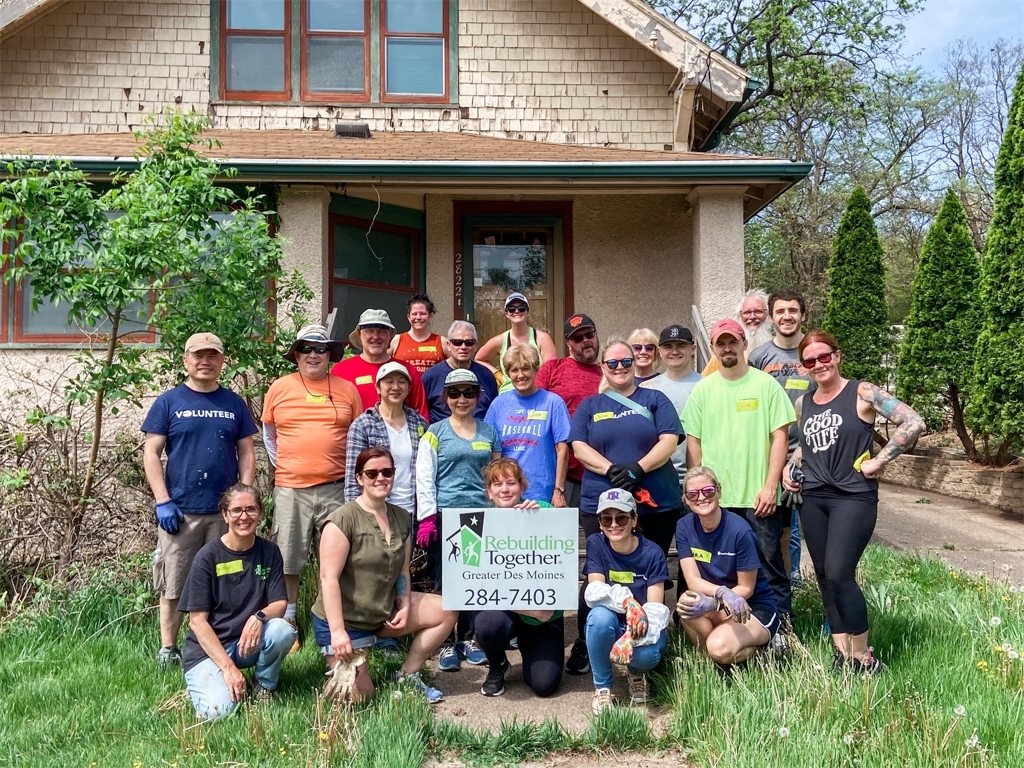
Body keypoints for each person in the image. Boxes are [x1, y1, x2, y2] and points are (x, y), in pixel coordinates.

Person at [783, 330, 925, 674]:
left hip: (853, 496)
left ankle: (863, 657)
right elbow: (808, 446)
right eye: (810, 360)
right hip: (813, 497)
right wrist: (792, 465)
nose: (818, 364)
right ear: (803, 367)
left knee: (839, 572)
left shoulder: (862, 392)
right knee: (823, 576)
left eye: (824, 356)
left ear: (837, 355)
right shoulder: (804, 404)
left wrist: (880, 460)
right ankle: (841, 652)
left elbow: (914, 421)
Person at [567, 337, 682, 676]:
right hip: (602, 504)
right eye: (612, 363)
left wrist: (638, 470)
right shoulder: (590, 405)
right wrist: (611, 470)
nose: (620, 368)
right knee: (598, 576)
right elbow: (578, 446)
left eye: (626, 362)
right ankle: (589, 641)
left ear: (636, 364)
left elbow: (669, 439)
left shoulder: (655, 398)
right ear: (603, 367)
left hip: (654, 503)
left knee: (651, 577)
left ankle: (648, 639)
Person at [142, 332, 258, 669]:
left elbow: (247, 450)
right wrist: (162, 500)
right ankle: (169, 649)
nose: (205, 361)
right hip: (181, 511)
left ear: (222, 362)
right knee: (174, 582)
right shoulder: (169, 402)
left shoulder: (234, 403)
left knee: (228, 580)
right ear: (186, 361)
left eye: (212, 356)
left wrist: (244, 497)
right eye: (198, 355)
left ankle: (221, 643)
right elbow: (151, 452)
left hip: (226, 514)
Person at [312, 447, 458, 703]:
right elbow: (328, 580)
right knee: (358, 699)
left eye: (387, 472)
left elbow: (403, 570)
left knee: (447, 608)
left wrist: (403, 605)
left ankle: (408, 675)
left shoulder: (402, 517)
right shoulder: (341, 521)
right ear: (359, 478)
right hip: (346, 622)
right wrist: (337, 632)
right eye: (372, 473)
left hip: (383, 612)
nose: (380, 478)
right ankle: (348, 663)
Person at [683, 318, 795, 623]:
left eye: (733, 341)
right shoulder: (703, 390)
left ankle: (782, 627)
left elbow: (780, 437)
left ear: (744, 344)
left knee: (768, 564)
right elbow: (694, 441)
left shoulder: (765, 385)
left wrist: (771, 485)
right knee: (718, 569)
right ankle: (730, 625)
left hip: (757, 496)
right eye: (721, 343)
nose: (727, 347)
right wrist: (695, 493)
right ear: (713, 347)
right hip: (714, 499)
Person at [262, 324, 362, 650]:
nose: (314, 354)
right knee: (288, 558)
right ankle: (288, 618)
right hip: (291, 487)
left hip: (337, 488)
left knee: (335, 560)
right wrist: (293, 466)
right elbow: (269, 437)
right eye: (307, 348)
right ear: (296, 354)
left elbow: (358, 437)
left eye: (320, 349)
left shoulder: (347, 389)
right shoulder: (279, 388)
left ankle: (327, 620)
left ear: (330, 355)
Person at [177, 484, 295, 720]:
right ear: (225, 515)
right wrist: (229, 669)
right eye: (237, 510)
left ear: (260, 513)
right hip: (208, 650)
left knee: (283, 630)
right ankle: (205, 683)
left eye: (251, 509)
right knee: (218, 713)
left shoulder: (270, 552)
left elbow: (280, 604)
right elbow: (197, 622)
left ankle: (263, 686)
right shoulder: (207, 557)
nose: (244, 516)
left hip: (245, 643)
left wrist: (258, 617)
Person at [415, 368, 502, 671]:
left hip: (479, 516)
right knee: (444, 581)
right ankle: (445, 643)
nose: (461, 399)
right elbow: (424, 478)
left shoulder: (489, 432)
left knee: (472, 579)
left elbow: (496, 476)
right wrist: (427, 518)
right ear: (446, 397)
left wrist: (502, 511)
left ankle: (467, 638)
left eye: (468, 393)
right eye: (454, 393)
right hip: (445, 516)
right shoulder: (435, 432)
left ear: (478, 396)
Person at [473, 458, 565, 698]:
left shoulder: (544, 511)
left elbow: (563, 562)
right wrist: (528, 609)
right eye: (497, 484)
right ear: (489, 492)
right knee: (487, 624)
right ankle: (498, 665)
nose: (505, 489)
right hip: (509, 612)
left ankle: (531, 648)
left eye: (511, 483)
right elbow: (471, 584)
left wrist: (540, 523)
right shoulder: (476, 526)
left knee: (544, 685)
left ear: (522, 487)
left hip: (543, 619)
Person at [675, 467, 780, 673]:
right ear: (686, 500)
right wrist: (720, 596)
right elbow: (692, 579)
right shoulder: (684, 526)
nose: (701, 497)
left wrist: (715, 601)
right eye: (693, 494)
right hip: (721, 603)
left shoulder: (740, 531)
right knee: (686, 603)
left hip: (751, 606)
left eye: (708, 491)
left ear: (719, 491)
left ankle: (765, 650)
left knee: (718, 647)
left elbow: (746, 588)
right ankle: (717, 663)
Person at [583, 489, 671, 714]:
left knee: (648, 656)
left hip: (643, 629)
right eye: (606, 518)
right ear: (600, 523)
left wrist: (630, 638)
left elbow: (656, 611)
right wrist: (628, 603)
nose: (614, 524)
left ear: (634, 519)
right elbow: (594, 592)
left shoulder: (652, 553)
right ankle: (602, 687)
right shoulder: (596, 543)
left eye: (621, 517)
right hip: (613, 624)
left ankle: (635, 673)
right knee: (598, 617)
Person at [748, 290, 812, 585]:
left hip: (810, 453)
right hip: (771, 455)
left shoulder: (813, 351)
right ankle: (782, 595)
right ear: (771, 317)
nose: (787, 316)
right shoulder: (759, 357)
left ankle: (801, 590)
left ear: (803, 315)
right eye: (781, 311)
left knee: (812, 530)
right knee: (780, 532)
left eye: (793, 310)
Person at [484, 344, 571, 505]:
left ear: (536, 369)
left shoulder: (553, 402)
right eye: (514, 370)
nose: (520, 375)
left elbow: (562, 450)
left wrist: (558, 490)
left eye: (526, 368)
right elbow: (489, 449)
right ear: (508, 373)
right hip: (506, 494)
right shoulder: (498, 404)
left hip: (541, 492)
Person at [536, 313, 603, 509]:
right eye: (577, 338)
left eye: (589, 334)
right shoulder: (552, 368)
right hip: (561, 475)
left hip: (600, 473)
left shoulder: (610, 372)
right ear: (568, 343)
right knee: (558, 538)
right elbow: (534, 409)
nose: (585, 341)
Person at [345, 362, 429, 513]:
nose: (396, 387)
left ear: (409, 389)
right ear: (378, 387)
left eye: (402, 382)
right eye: (389, 381)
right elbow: (353, 479)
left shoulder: (419, 423)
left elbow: (427, 471)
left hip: (414, 512)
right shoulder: (363, 424)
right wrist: (356, 519)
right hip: (377, 512)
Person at [331, 309, 430, 420]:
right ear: (359, 334)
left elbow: (421, 416)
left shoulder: (408, 371)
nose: (375, 336)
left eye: (381, 331)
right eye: (369, 331)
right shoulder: (340, 371)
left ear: (390, 334)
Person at [641, 324, 704, 487]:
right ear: (660, 351)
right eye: (668, 347)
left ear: (693, 349)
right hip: (658, 477)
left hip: (700, 479)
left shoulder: (707, 385)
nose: (674, 351)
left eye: (681, 346)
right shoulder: (646, 389)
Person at [475, 292, 557, 393]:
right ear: (507, 314)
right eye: (511, 309)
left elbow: (550, 370)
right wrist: (497, 374)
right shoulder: (500, 340)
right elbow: (479, 359)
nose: (516, 311)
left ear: (528, 312)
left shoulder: (542, 338)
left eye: (521, 308)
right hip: (507, 394)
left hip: (535, 394)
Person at [422, 320, 498, 422]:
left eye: (469, 343)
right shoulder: (431, 376)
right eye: (457, 342)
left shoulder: (486, 375)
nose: (463, 347)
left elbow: (494, 411)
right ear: (448, 345)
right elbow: (421, 414)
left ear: (475, 346)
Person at [702, 289, 773, 375]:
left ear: (768, 314)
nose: (752, 316)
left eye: (758, 311)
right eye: (747, 312)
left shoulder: (778, 347)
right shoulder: (723, 355)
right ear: (739, 316)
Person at [389, 293, 449, 375]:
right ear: (408, 317)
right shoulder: (396, 340)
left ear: (430, 316)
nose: (418, 317)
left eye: (422, 314)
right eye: (414, 314)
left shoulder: (442, 342)